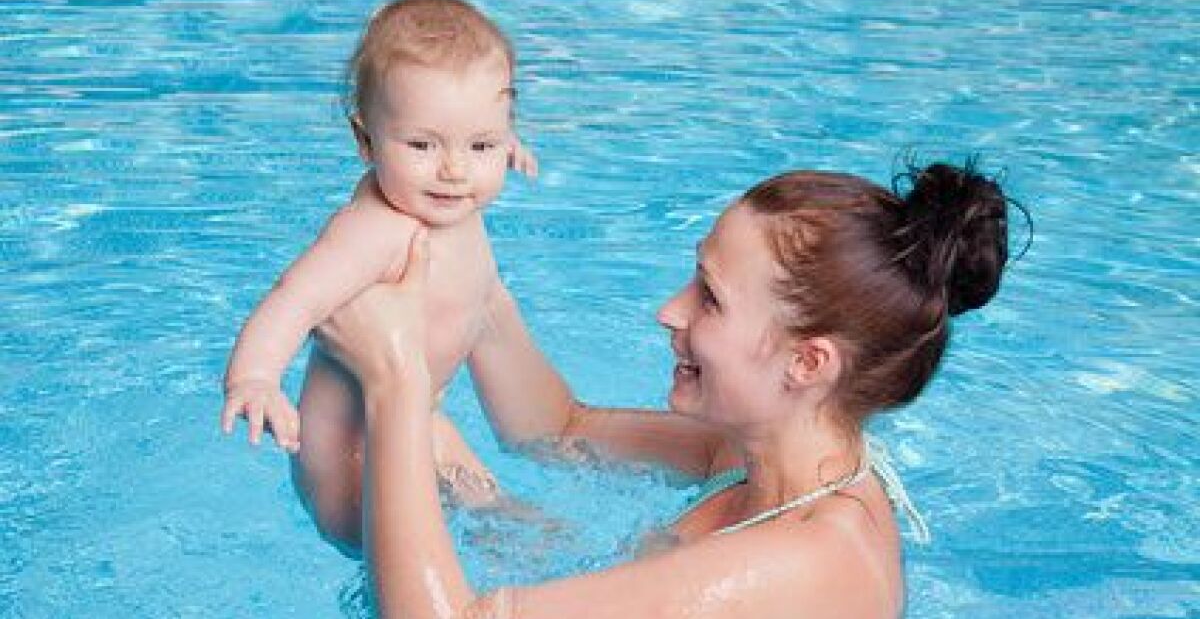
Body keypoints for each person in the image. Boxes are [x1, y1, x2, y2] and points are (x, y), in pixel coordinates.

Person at [317, 161, 1014, 617]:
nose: (669, 311)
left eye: (708, 299)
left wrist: (397, 383)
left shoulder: (813, 560)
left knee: (405, 428)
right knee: (424, 450)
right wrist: (469, 271)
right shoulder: (753, 454)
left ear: (807, 364)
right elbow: (556, 427)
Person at [219, 0, 538, 549]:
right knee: (413, 560)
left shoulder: (444, 188)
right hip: (349, 460)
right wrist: (254, 379)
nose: (455, 170)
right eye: (422, 144)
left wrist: (501, 148)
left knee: (508, 520)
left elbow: (459, 135)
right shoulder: (376, 231)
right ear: (365, 141)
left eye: (482, 144)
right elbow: (293, 299)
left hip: (411, 418)